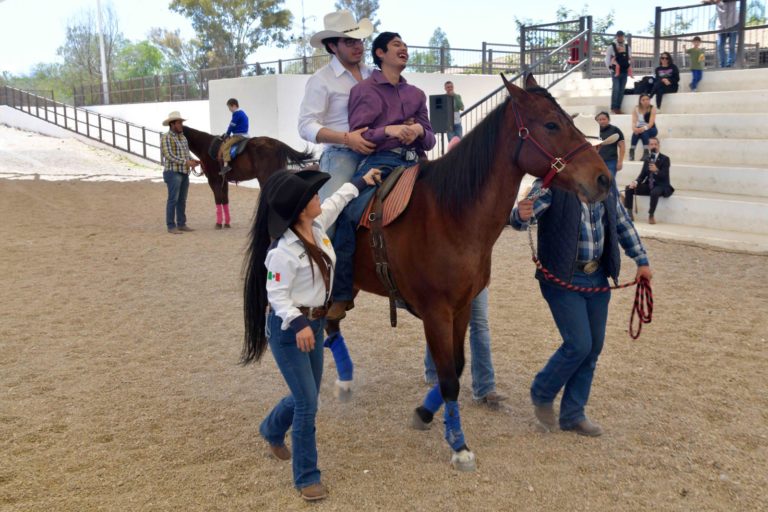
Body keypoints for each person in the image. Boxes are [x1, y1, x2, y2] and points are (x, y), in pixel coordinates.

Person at [241, 166, 381, 502]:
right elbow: (277, 296)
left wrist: (360, 183)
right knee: (307, 403)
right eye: (313, 196)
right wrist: (298, 322)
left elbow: (336, 201)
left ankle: (271, 428)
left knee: (308, 392)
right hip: (290, 331)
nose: (319, 197)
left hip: (315, 325)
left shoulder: (316, 227)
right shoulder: (281, 253)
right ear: (301, 207)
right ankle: (307, 477)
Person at [510, 179, 653, 437]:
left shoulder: (604, 184)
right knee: (578, 344)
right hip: (563, 277)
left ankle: (573, 414)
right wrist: (519, 215)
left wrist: (641, 259)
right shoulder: (551, 184)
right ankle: (542, 391)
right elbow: (524, 219)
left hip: (597, 275)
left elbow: (622, 223)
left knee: (593, 346)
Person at [328, 31, 436, 320]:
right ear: (380, 53)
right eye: (396, 45)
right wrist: (389, 130)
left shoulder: (416, 94)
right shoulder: (363, 90)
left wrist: (418, 131)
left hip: (419, 161)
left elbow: (430, 139)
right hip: (381, 160)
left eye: (405, 44)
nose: (404, 48)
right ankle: (340, 293)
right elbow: (359, 136)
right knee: (347, 215)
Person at [298, 10, 375, 203]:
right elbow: (306, 125)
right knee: (331, 216)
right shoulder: (321, 80)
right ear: (332, 46)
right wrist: (347, 139)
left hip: (378, 149)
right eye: (349, 42)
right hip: (342, 154)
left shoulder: (373, 74)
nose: (358, 46)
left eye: (359, 40)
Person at [160, 111, 200, 234]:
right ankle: (171, 226)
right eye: (179, 123)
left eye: (181, 122)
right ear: (172, 124)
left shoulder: (183, 137)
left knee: (182, 200)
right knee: (173, 199)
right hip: (173, 172)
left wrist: (192, 160)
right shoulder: (166, 137)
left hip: (183, 172)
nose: (181, 125)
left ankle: (181, 224)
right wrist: (186, 163)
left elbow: (186, 153)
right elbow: (168, 155)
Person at [623, 137, 674, 225]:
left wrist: (656, 170)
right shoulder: (647, 159)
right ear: (649, 146)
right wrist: (635, 182)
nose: (654, 146)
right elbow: (642, 175)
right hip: (649, 185)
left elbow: (665, 176)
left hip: (661, 185)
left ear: (659, 145)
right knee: (629, 188)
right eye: (651, 144)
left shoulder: (665, 159)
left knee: (654, 192)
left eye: (655, 144)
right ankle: (629, 213)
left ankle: (651, 215)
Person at [218, 98, 249, 176]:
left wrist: (227, 134)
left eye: (229, 107)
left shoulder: (236, 113)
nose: (229, 110)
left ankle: (226, 166)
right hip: (244, 134)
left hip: (239, 135)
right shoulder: (242, 112)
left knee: (225, 146)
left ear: (234, 106)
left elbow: (232, 125)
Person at [704, 0, 739, 68]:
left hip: (733, 24)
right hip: (721, 26)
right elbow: (703, 1)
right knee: (720, 46)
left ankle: (730, 64)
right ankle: (723, 64)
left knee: (732, 45)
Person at [605, 30, 633, 115]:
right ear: (616, 37)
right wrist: (610, 70)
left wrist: (629, 68)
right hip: (615, 71)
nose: (620, 37)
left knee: (621, 90)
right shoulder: (611, 47)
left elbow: (629, 58)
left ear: (623, 37)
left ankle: (618, 108)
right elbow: (607, 59)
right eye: (619, 36)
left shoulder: (627, 47)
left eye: (621, 36)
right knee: (616, 89)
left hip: (624, 71)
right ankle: (614, 107)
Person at [595, 111, 626, 179]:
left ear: (608, 120)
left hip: (611, 161)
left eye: (604, 119)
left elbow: (622, 146)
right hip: (598, 161)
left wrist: (620, 161)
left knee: (610, 179)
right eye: (599, 120)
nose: (602, 121)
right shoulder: (594, 130)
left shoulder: (615, 130)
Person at [628, 94, 658, 162]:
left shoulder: (652, 108)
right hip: (640, 128)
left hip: (651, 129)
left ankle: (646, 152)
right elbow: (634, 121)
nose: (645, 101)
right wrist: (634, 128)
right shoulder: (636, 108)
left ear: (649, 100)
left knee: (644, 132)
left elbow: (651, 123)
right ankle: (632, 151)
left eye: (647, 99)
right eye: (643, 100)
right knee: (635, 133)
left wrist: (642, 129)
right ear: (640, 101)